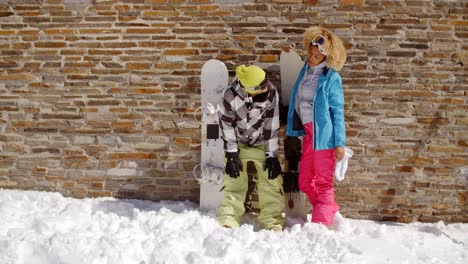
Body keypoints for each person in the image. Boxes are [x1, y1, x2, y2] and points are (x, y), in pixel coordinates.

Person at [286, 26, 347, 227]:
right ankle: (330, 208)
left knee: (322, 183)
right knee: (304, 181)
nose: (311, 58)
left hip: (325, 138)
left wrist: (340, 143)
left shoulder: (331, 78)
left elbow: (337, 112)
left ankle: (320, 225)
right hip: (309, 135)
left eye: (316, 56)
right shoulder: (306, 70)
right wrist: (288, 55)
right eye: (310, 53)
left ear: (326, 57)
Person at [217, 64, 284, 231]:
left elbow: (272, 126)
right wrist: (232, 155)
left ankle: (271, 220)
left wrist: (271, 156)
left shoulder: (271, 93)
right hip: (238, 143)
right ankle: (229, 217)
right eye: (262, 86)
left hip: (261, 142)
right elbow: (226, 125)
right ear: (250, 89)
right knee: (233, 179)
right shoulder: (229, 96)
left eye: (266, 81)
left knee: (271, 179)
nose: (267, 86)